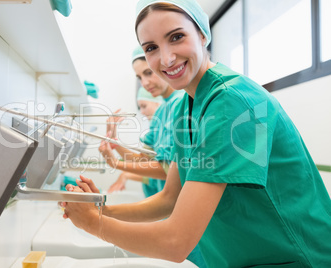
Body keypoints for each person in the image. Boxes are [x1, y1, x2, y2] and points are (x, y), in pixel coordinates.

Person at [62, 0, 331, 267]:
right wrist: (103, 210)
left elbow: (176, 241)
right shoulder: (185, 106)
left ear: (202, 34)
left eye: (176, 37)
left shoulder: (232, 101)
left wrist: (93, 223)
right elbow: (170, 198)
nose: (166, 58)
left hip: (295, 256)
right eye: (151, 48)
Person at [100, 46, 185, 191]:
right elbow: (143, 160)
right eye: (139, 77)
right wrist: (114, 142)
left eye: (148, 73)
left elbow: (168, 171)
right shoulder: (162, 111)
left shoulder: (180, 104)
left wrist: (115, 163)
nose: (144, 83)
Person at [108, 86, 164, 197]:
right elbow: (141, 161)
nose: (142, 112)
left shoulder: (167, 129)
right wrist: (112, 138)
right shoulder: (156, 131)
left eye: (144, 106)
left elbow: (165, 171)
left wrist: (116, 164)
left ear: (158, 103)